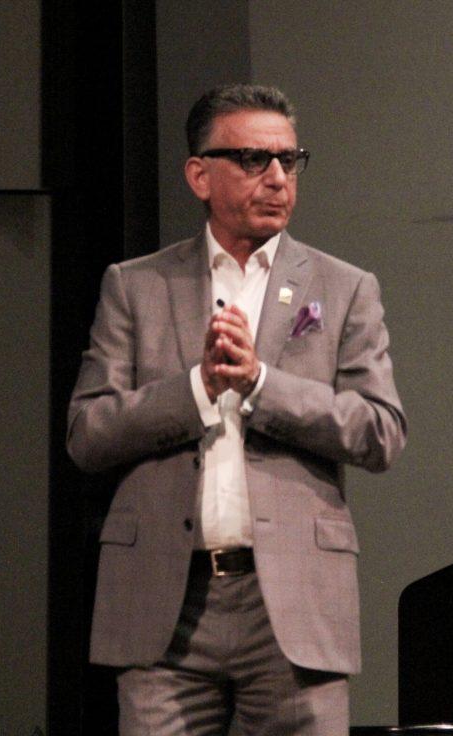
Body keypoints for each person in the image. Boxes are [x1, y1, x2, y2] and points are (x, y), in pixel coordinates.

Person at [67, 83, 407, 735]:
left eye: (289, 159)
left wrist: (259, 385)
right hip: (164, 605)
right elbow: (88, 433)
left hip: (291, 608)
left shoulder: (343, 289)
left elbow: (381, 431)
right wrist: (196, 391)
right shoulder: (135, 285)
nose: (277, 177)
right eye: (253, 160)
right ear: (200, 174)